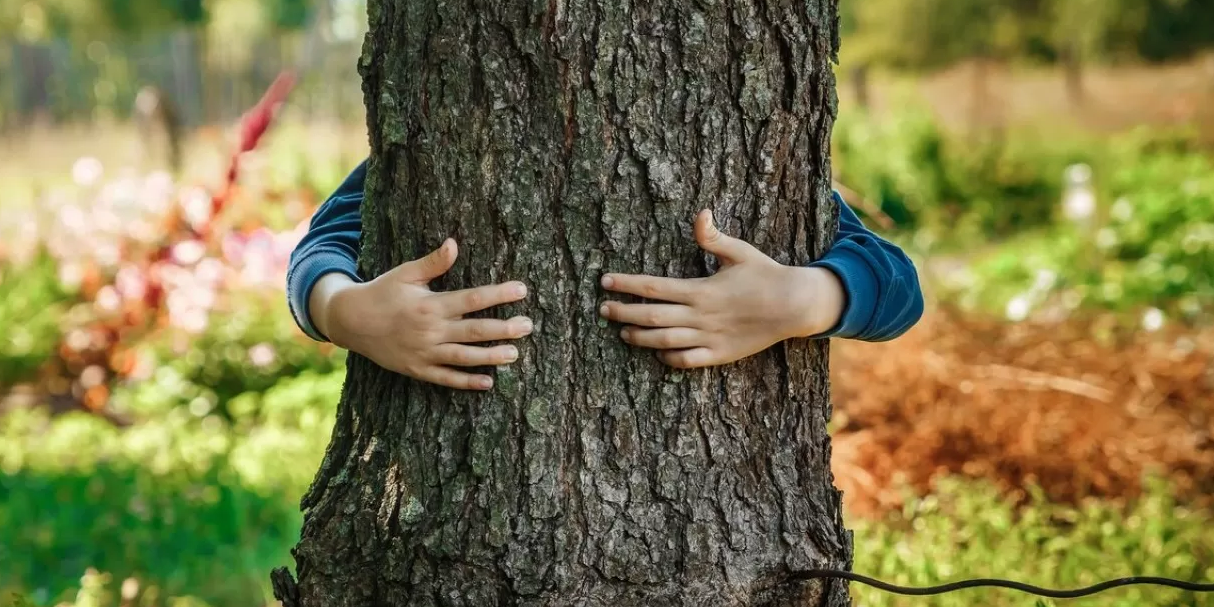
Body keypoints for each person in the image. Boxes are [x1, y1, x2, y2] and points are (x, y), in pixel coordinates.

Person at [287, 160, 923, 390]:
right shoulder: (426, 138)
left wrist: (803, 298)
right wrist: (346, 313)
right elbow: (323, 247)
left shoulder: (760, 139)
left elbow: (900, 287)